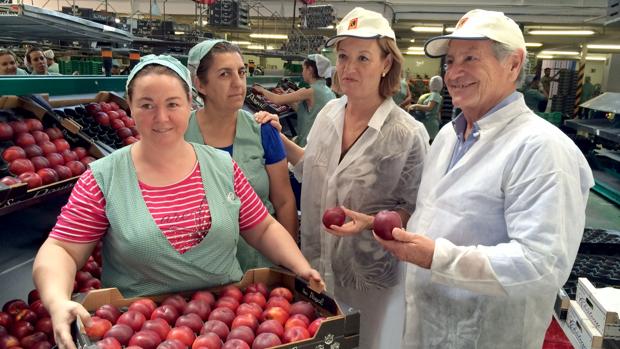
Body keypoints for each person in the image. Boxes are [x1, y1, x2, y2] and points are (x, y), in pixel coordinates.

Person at [32, 55, 323, 349]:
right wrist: (57, 301)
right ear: (130, 107)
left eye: (172, 104)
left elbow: (261, 228)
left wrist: (299, 267)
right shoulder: (104, 178)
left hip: (228, 326)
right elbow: (62, 249)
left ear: (189, 104)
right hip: (136, 331)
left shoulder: (222, 167)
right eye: (147, 105)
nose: (161, 117)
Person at [371, 9, 594, 349]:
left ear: (513, 64)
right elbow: (436, 213)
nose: (454, 73)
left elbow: (541, 265)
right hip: (424, 326)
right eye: (450, 61)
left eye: (471, 58)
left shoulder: (542, 149)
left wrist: (437, 258)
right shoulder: (448, 135)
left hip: (485, 335)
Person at [256, 7, 428, 349]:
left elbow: (416, 208)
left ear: (386, 64)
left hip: (370, 280)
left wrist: (371, 223)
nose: (349, 67)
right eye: (343, 56)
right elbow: (313, 166)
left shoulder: (407, 134)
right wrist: (279, 137)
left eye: (363, 58)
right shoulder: (329, 113)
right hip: (318, 272)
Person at [185, 40, 298, 272]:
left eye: (241, 72)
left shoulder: (263, 130)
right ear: (200, 84)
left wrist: (287, 262)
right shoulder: (180, 134)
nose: (238, 83)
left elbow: (284, 201)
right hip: (197, 269)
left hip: (260, 264)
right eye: (225, 74)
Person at [253, 54, 336, 147]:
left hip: (309, 143)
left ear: (310, 70)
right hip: (322, 141)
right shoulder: (328, 91)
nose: (302, 72)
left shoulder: (310, 91)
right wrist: (287, 97)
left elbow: (277, 100)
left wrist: (262, 90)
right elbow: (307, 113)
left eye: (303, 68)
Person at [408, 75, 443, 141]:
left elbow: (429, 107)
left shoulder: (435, 95)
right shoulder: (434, 95)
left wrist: (416, 106)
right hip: (427, 122)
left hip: (430, 123)